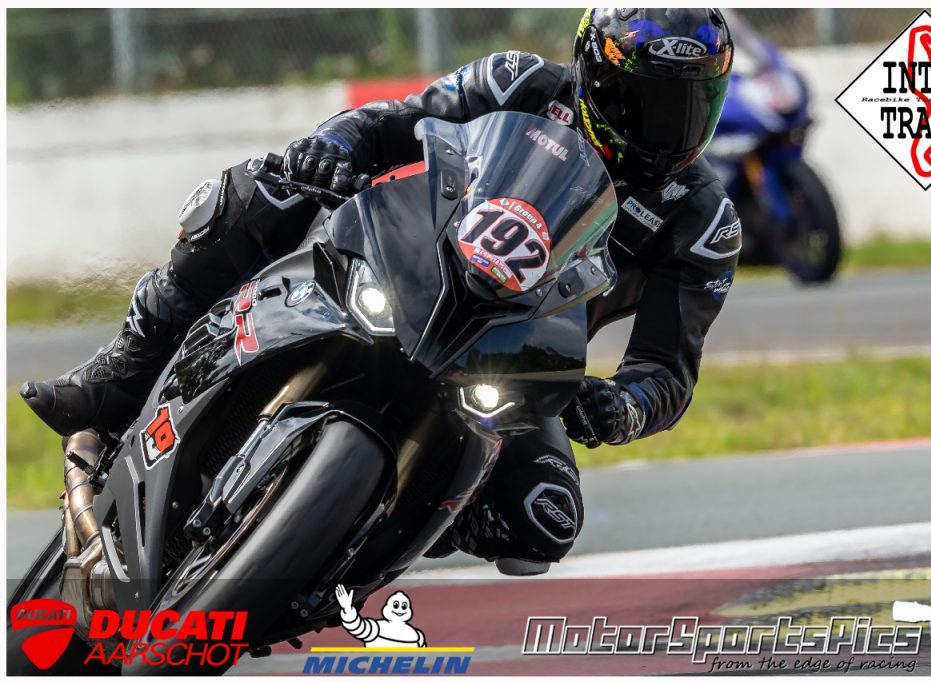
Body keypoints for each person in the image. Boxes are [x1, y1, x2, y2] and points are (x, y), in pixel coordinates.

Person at [22, 8, 739, 576]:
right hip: (406, 263)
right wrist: (331, 150)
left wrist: (622, 407)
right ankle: (121, 374)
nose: (670, 125)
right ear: (596, 75)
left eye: (691, 102)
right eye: (649, 99)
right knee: (261, 190)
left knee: (542, 522)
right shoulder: (518, 81)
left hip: (513, 355)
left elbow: (666, 370)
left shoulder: (705, 221)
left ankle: (350, 544)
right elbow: (388, 123)